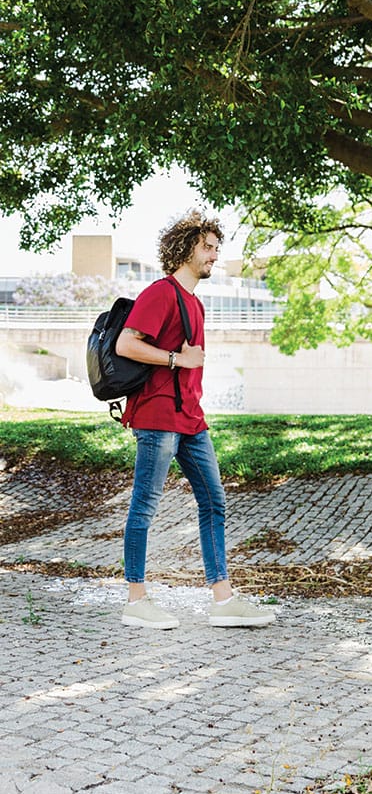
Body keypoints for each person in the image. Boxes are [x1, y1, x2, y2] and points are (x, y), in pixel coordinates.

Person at [115, 209, 275, 630]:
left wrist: (186, 369)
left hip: (190, 417)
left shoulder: (194, 302)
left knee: (214, 501)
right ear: (185, 247)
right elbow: (126, 343)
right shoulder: (160, 293)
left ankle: (222, 600)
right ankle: (137, 598)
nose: (214, 255)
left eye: (216, 249)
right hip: (158, 414)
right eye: (207, 247)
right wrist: (176, 358)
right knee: (145, 505)